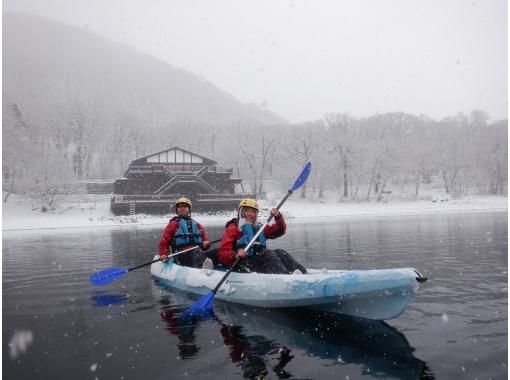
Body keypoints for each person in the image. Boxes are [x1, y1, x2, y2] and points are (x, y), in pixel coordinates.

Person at [218, 198, 307, 274]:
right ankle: (284, 278)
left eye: (253, 211)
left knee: (280, 252)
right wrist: (235, 255)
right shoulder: (233, 228)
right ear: (241, 212)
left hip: (259, 261)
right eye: (246, 211)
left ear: (256, 214)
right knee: (267, 254)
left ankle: (303, 274)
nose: (250, 214)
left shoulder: (260, 228)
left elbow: (280, 230)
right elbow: (222, 254)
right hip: (242, 264)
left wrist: (278, 216)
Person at [159, 197, 211, 268]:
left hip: (197, 253)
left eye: (185, 206)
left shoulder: (197, 225)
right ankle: (203, 268)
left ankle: (208, 265)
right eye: (180, 206)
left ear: (189, 209)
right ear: (177, 210)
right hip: (181, 256)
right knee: (196, 252)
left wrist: (206, 244)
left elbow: (204, 241)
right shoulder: (173, 224)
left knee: (215, 252)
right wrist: (164, 254)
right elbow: (164, 242)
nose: (182, 208)